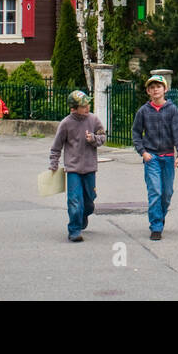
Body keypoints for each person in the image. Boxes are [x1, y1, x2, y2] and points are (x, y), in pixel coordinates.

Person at [131, 75, 178, 241]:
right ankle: (156, 226)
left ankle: (160, 216)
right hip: (151, 157)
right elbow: (136, 133)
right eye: (152, 87)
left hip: (168, 157)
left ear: (165, 89)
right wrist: (143, 152)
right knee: (155, 191)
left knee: (166, 193)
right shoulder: (143, 111)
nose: (155, 90)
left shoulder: (172, 110)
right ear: (148, 91)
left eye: (158, 86)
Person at [49, 90, 106, 242]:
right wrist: (54, 164)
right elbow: (56, 147)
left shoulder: (93, 119)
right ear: (73, 108)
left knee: (89, 201)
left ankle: (83, 215)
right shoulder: (66, 123)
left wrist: (93, 139)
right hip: (73, 169)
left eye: (88, 103)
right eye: (83, 105)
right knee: (74, 200)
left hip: (90, 168)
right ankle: (74, 230)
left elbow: (102, 137)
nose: (87, 107)